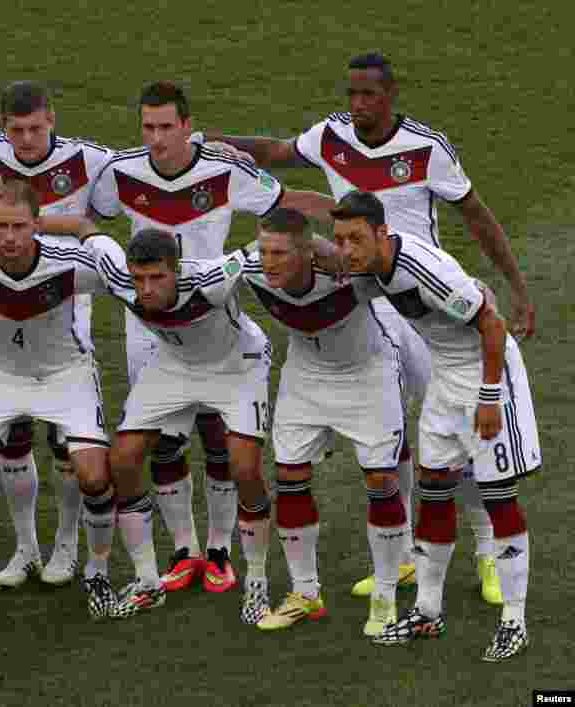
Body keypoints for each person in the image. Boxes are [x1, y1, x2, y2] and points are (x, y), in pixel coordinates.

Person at [200, 52, 535, 602]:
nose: (357, 105)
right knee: (393, 436)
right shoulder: (331, 137)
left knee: (456, 434)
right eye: (351, 94)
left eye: (368, 95)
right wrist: (218, 143)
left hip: (419, 304)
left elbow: (477, 217)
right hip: (363, 302)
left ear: (390, 95)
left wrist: (516, 286)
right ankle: (402, 556)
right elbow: (280, 153)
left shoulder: (427, 148)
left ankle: (487, 556)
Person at [89, 81, 334, 594]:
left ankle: (220, 549)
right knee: (162, 444)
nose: (156, 138)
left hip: (211, 316)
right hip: (148, 325)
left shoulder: (226, 169)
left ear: (186, 125)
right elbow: (85, 214)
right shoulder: (120, 173)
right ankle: (185, 548)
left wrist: (351, 221)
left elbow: (286, 208)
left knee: (217, 439)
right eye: (148, 127)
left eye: (165, 127)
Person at [331, 190, 539, 661]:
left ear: (381, 233)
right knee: (435, 490)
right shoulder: (369, 267)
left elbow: (491, 323)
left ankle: (514, 621)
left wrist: (489, 398)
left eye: (356, 239)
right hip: (445, 374)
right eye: (340, 240)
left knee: (498, 495)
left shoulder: (420, 267)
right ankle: (427, 611)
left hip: (488, 372)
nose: (347, 250)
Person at [35, 213, 274, 620]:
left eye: (157, 278)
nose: (145, 288)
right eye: (139, 278)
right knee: (123, 459)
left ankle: (257, 582)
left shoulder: (213, 277)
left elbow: (264, 252)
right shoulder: (116, 273)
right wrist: (24, 222)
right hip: (174, 364)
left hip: (238, 365)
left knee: (245, 467)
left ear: (176, 269)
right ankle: (148, 582)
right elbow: (85, 227)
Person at [0, 181, 116, 619]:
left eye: (20, 226)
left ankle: (97, 573)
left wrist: (86, 228)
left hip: (64, 374)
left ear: (38, 225)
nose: (10, 237)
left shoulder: (70, 264)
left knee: (93, 473)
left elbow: (117, 272)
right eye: (0, 226)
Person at [0, 80, 114, 587]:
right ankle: (26, 546)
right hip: (4, 307)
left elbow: (132, 185)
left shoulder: (90, 160)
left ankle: (67, 543)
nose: (26, 139)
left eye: (35, 128)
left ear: (52, 119)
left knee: (61, 441)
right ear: (3, 128)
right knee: (12, 437)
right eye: (16, 130)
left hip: (64, 306)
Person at [239, 208, 409, 636]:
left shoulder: (350, 273)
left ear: (306, 252)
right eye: (263, 250)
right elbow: (197, 278)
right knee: (290, 476)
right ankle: (306, 593)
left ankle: (386, 593)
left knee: (380, 482)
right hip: (305, 374)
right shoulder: (248, 268)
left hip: (368, 373)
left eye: (279, 252)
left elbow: (405, 269)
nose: (268, 261)